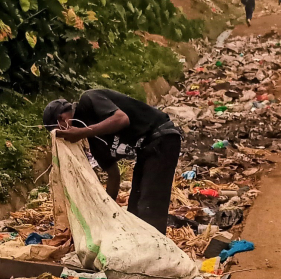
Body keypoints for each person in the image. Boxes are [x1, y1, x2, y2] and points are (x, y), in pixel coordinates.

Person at [43, 90, 182, 233]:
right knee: (135, 213)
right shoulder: (95, 144)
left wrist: (82, 132)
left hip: (162, 137)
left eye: (61, 131)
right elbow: (113, 175)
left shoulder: (89, 100)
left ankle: (156, 245)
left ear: (61, 119)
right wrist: (108, 211)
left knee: (149, 208)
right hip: (145, 151)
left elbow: (122, 119)